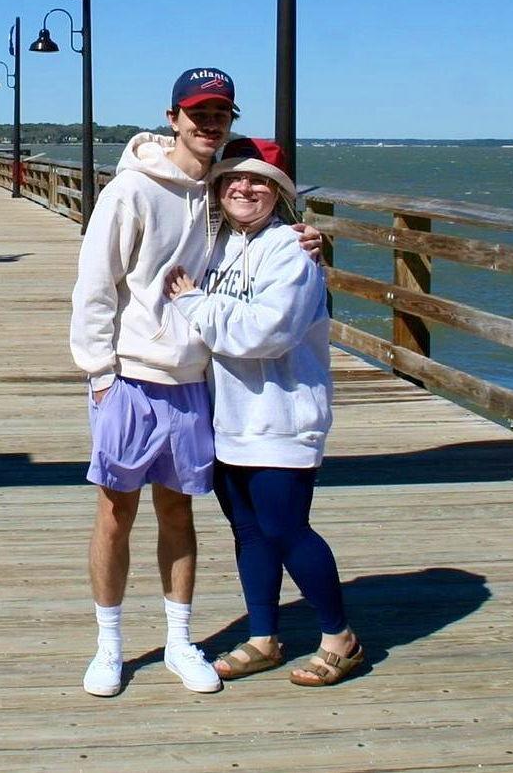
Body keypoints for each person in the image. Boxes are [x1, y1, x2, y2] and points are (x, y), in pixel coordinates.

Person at [164, 137, 363, 688]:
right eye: (233, 179)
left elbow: (266, 334)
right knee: (249, 531)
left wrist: (194, 304)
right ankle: (263, 637)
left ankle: (338, 637)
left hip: (283, 413)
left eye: (259, 181)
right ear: (218, 189)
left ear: (278, 194)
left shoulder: (293, 252)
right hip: (228, 416)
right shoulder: (216, 246)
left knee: (286, 528)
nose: (245, 188)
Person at [70, 66, 239, 698]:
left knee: (179, 509)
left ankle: (178, 640)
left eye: (220, 112)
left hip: (192, 377)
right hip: (130, 378)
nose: (208, 122)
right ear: (173, 118)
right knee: (116, 511)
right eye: (197, 112)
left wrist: (305, 236)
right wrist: (100, 374)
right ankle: (109, 645)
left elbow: (263, 229)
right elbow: (94, 285)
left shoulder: (224, 190)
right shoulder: (131, 191)